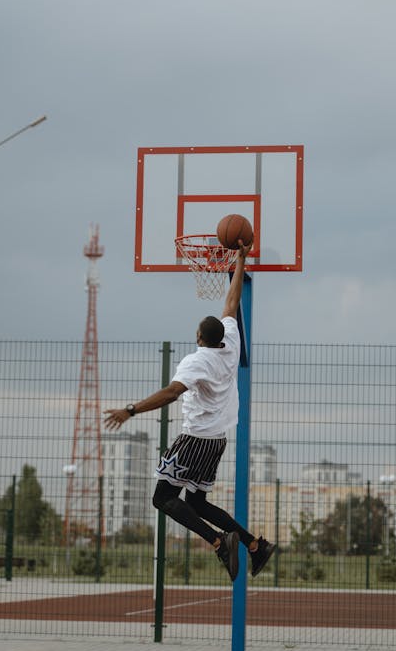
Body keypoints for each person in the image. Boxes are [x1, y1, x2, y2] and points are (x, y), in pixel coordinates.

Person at [104, 241, 275, 581]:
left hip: (195, 439)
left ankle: (218, 542)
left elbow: (171, 393)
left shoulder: (197, 361)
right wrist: (239, 261)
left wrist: (131, 409)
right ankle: (255, 545)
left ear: (198, 336)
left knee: (162, 498)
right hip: (217, 440)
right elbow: (232, 300)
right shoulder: (231, 340)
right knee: (197, 503)